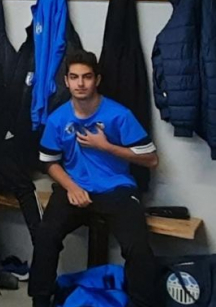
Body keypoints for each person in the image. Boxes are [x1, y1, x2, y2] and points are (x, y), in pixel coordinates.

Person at [30, 51, 159, 307]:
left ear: (97, 80)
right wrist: (71, 187)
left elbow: (151, 159)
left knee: (138, 247)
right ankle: (41, 300)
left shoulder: (118, 114)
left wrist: (106, 146)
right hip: (75, 188)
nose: (80, 83)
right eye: (74, 77)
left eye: (87, 77)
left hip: (116, 189)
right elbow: (49, 162)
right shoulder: (58, 118)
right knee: (45, 236)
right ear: (66, 81)